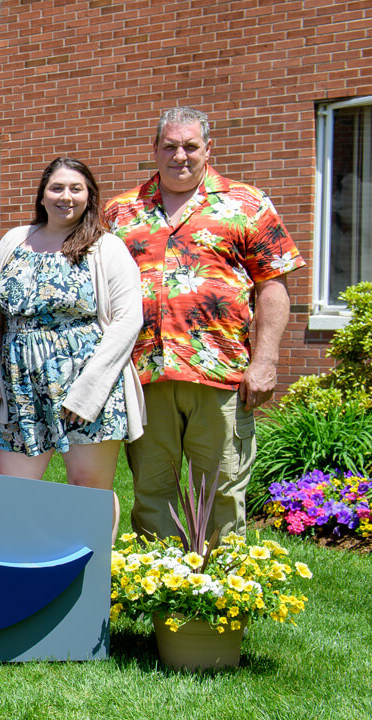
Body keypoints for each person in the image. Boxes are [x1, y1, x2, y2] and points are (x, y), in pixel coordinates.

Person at [104, 107, 305, 541]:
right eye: (170, 145)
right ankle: (161, 597)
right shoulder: (120, 213)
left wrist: (266, 361)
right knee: (152, 490)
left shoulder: (246, 204)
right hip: (143, 376)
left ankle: (220, 599)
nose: (180, 155)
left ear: (207, 149)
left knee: (223, 491)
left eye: (190, 146)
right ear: (154, 150)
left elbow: (273, 285)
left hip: (222, 374)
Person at [0, 157, 144, 539]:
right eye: (57, 187)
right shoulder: (14, 241)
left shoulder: (107, 247)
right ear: (42, 194)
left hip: (88, 388)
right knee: (12, 493)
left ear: (89, 197)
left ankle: (90, 571)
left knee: (87, 492)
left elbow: (127, 320)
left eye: (75, 189)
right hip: (20, 384)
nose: (65, 196)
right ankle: (24, 568)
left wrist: (88, 395)